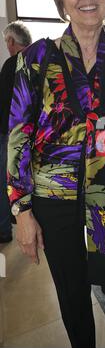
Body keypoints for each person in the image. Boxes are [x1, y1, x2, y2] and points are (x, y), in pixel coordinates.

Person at [7, 0, 105, 348]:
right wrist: (22, 210)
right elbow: (18, 137)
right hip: (55, 201)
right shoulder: (36, 58)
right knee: (73, 296)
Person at [0, 21, 32, 243]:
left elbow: (3, 103)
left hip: (10, 134)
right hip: (34, 134)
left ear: (11, 41)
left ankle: (3, 229)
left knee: (6, 181)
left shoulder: (12, 64)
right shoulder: (38, 61)